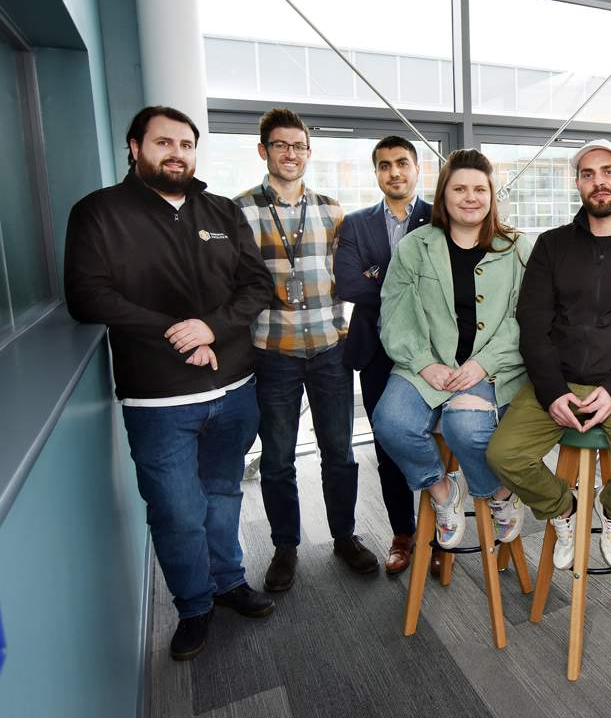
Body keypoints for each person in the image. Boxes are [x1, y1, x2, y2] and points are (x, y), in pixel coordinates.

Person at [64, 106, 275, 660]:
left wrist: (213, 327)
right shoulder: (98, 214)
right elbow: (88, 297)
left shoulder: (222, 211)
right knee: (177, 511)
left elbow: (256, 287)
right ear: (135, 147)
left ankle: (229, 582)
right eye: (164, 142)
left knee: (224, 494)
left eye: (186, 143)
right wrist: (176, 333)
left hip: (234, 389)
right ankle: (194, 607)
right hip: (157, 399)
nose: (177, 153)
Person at [486, 139, 611, 570]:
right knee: (503, 455)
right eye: (588, 174)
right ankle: (564, 511)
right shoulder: (552, 246)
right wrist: (552, 391)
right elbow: (533, 324)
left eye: (608, 172)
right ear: (577, 184)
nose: (599, 182)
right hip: (559, 380)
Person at [233, 107, 378, 593]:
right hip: (273, 352)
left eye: (298, 146)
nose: (290, 153)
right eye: (280, 145)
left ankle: (344, 536)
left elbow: (352, 274)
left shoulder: (332, 211)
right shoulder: (240, 211)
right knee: (276, 458)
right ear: (263, 151)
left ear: (309, 153)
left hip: (328, 351)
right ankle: (285, 546)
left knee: (340, 453)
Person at [371, 149, 531, 550]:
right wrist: (424, 364)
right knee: (391, 422)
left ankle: (499, 495)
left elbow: (525, 318)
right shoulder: (414, 246)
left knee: (468, 429)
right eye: (459, 188)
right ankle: (443, 492)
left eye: (480, 189)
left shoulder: (517, 247)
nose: (470, 197)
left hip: (492, 367)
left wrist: (483, 364)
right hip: (424, 364)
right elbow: (394, 313)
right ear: (443, 196)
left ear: (492, 196)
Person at [334, 136, 433, 575]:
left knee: (434, 441)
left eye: (402, 163)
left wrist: (380, 275)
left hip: (432, 352)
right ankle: (403, 533)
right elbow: (349, 285)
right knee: (387, 442)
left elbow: (447, 286)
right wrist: (407, 284)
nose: (394, 172)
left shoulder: (440, 217)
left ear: (417, 168)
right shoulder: (356, 224)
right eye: (385, 165)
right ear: (376, 173)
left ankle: (438, 531)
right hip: (375, 351)